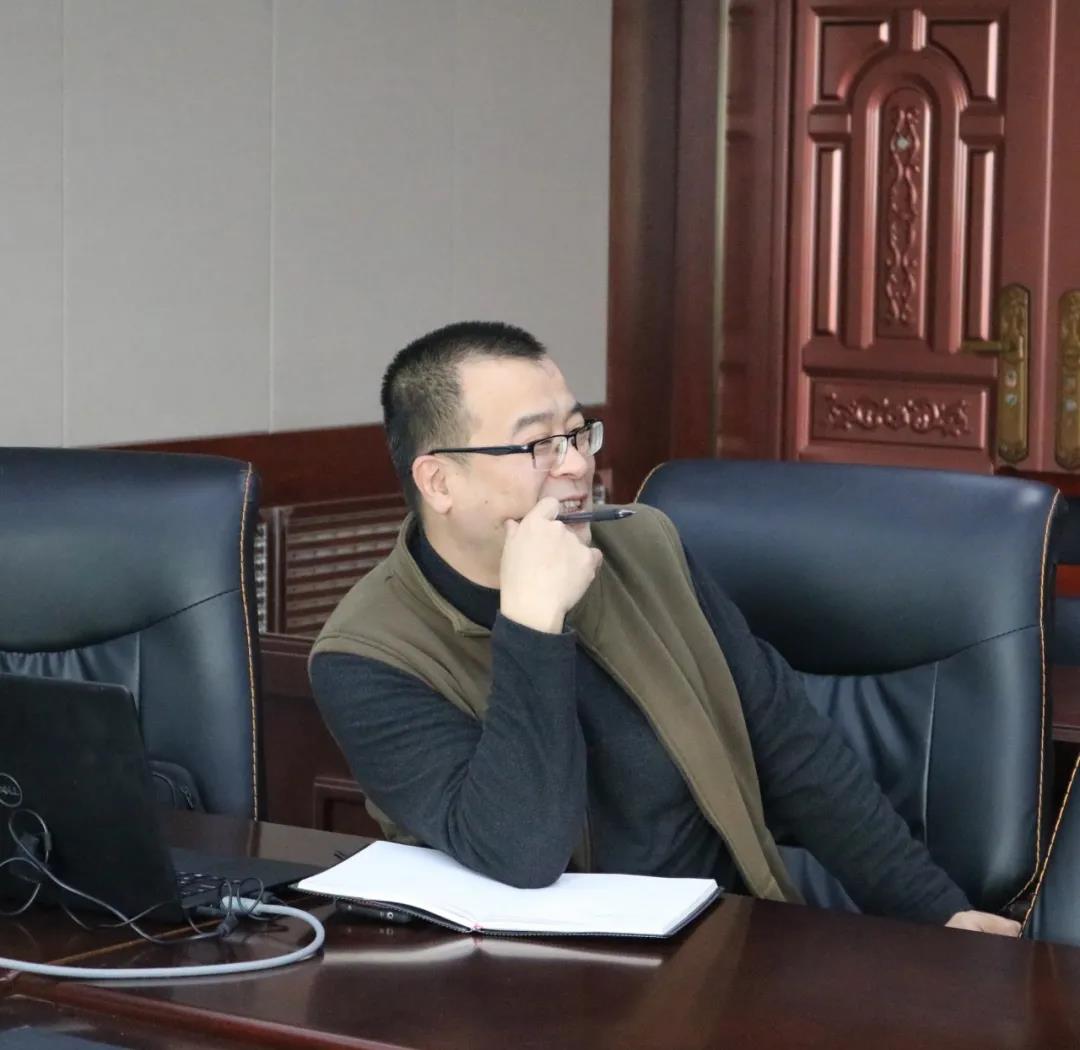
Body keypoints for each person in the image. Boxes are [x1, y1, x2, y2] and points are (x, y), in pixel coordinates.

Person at [309, 321, 1018, 935]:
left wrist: (938, 915)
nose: (577, 465)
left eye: (577, 432)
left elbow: (789, 744)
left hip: (724, 943)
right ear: (439, 482)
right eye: (539, 446)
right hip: (533, 982)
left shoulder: (643, 545)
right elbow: (521, 850)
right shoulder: (366, 656)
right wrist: (531, 626)